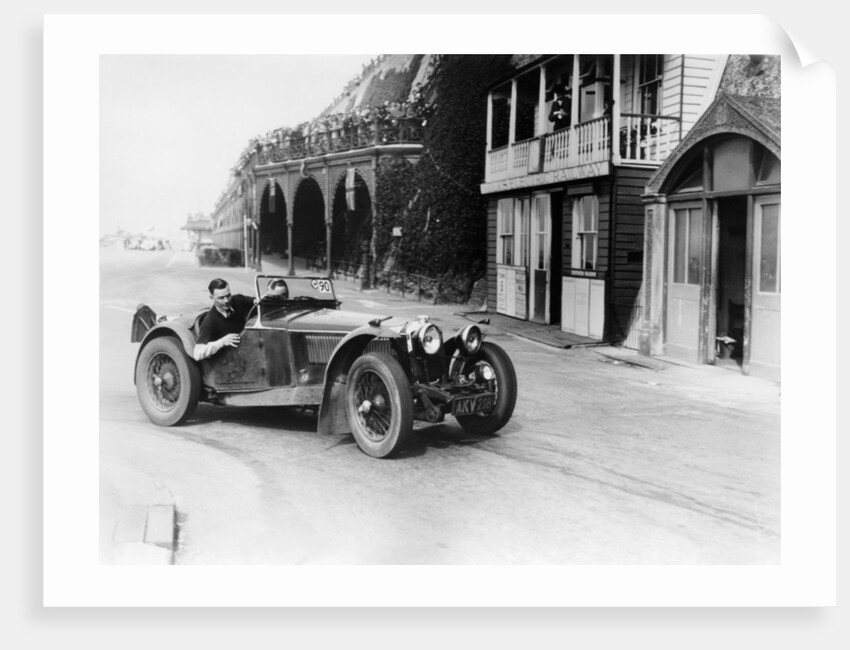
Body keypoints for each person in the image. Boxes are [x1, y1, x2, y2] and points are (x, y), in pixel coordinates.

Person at [193, 278, 255, 361]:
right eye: (221, 298)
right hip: (230, 360)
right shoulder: (209, 322)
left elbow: (257, 301)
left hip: (248, 347)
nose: (226, 300)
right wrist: (222, 342)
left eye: (228, 295)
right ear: (211, 297)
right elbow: (197, 354)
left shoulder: (238, 300)